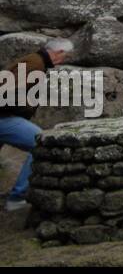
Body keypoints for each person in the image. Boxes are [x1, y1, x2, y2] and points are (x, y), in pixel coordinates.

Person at [0, 38, 72, 211]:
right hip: (3, 117)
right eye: (65, 56)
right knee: (41, 143)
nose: (63, 61)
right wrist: (23, 107)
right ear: (58, 53)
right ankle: (17, 198)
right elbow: (7, 89)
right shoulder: (35, 63)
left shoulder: (36, 61)